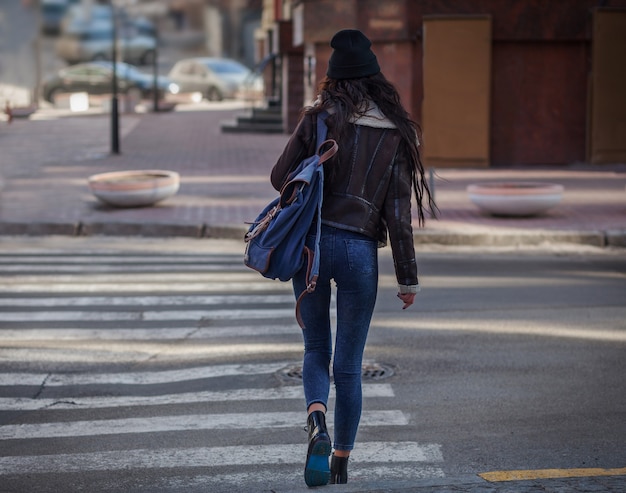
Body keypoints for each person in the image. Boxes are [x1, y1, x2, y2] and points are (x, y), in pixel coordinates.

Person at [270, 29, 435, 487]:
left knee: (315, 349)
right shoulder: (397, 133)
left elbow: (279, 176)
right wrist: (408, 280)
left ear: (333, 78)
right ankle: (341, 463)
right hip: (361, 252)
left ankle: (316, 421)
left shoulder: (320, 119)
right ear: (374, 76)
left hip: (313, 249)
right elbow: (399, 215)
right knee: (349, 364)